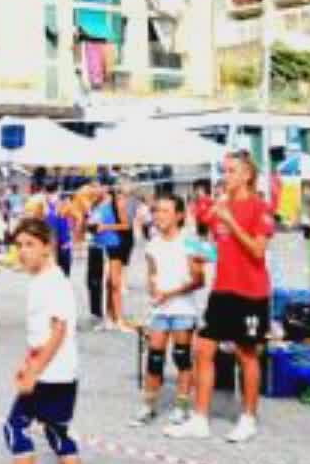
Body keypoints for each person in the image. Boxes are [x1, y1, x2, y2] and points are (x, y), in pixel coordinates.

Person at [0, 217, 89, 464]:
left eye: (30, 245)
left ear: (48, 247)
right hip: (57, 369)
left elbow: (58, 332)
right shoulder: (43, 280)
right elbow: (42, 333)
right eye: (19, 246)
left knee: (15, 426)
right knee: (57, 430)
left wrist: (35, 370)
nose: (23, 252)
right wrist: (27, 362)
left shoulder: (53, 282)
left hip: (52, 372)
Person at [166, 150, 273, 444]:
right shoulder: (219, 206)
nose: (225, 177)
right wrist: (199, 255)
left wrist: (231, 220)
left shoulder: (259, 207)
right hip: (222, 290)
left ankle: (248, 418)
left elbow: (257, 250)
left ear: (246, 175)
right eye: (223, 171)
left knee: (246, 354)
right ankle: (199, 419)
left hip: (251, 292)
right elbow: (214, 245)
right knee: (203, 350)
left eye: (230, 171)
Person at [134, 195, 206, 428]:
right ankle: (149, 404)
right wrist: (152, 288)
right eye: (156, 211)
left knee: (182, 358)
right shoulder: (152, 244)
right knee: (154, 359)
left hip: (184, 309)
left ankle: (182, 406)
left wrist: (172, 293)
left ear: (179, 215)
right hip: (160, 309)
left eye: (165, 211)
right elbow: (152, 273)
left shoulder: (191, 241)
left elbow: (199, 280)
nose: (158, 216)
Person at [100, 183, 141, 332]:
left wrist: (105, 227)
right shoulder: (105, 205)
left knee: (115, 283)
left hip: (120, 243)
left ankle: (119, 319)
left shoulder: (120, 203)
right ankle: (112, 317)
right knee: (111, 282)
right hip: (114, 242)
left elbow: (126, 226)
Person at [85, 185, 116, 327]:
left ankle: (104, 316)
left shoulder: (108, 208)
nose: (96, 191)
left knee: (101, 281)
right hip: (95, 246)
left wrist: (89, 223)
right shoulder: (98, 207)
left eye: (100, 189)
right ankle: (97, 312)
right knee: (92, 281)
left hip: (104, 248)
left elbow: (92, 226)